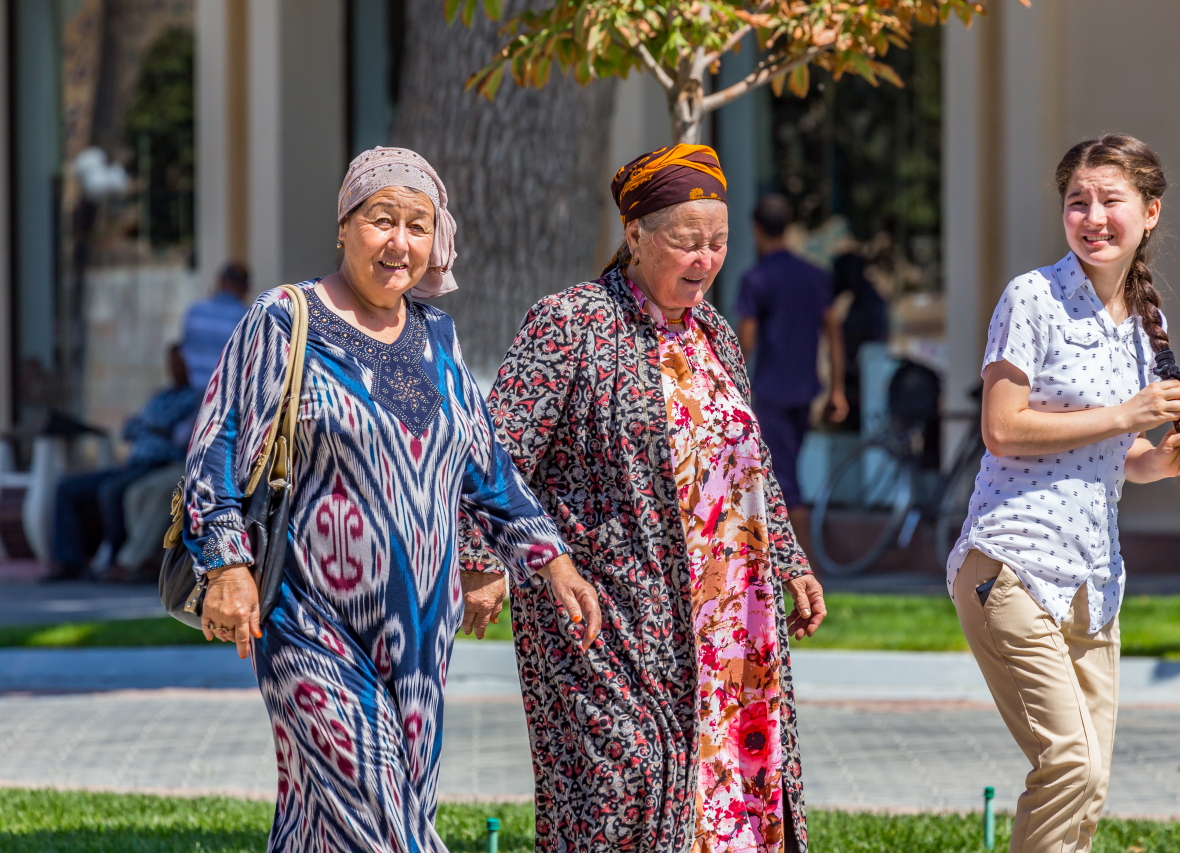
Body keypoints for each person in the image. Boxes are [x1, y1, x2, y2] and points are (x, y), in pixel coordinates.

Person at [182, 146, 601, 852]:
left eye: (417, 224)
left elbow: (485, 467)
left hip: (419, 636)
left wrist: (553, 560)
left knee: (324, 823)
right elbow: (215, 446)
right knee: (385, 821)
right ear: (345, 225)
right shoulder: (285, 320)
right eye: (382, 220)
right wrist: (226, 566)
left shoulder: (438, 336)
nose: (399, 242)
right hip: (305, 618)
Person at [458, 145, 827, 853]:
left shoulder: (715, 334)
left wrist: (791, 560)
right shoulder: (571, 322)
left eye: (718, 242)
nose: (706, 259)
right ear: (634, 234)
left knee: (725, 784)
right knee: (623, 784)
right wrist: (483, 557)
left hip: (724, 617)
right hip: (605, 611)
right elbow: (491, 454)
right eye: (687, 241)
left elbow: (749, 465)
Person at [946, 134, 1180, 853]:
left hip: (1093, 580)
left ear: (1149, 213)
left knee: (1087, 787)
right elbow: (1002, 428)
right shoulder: (1032, 297)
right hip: (1010, 565)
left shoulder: (1143, 329)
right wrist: (1127, 415)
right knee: (1069, 762)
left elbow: (1116, 457)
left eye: (1110, 200)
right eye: (1077, 201)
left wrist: (1163, 457)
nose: (1092, 216)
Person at [735, 194, 847, 530]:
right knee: (784, 472)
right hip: (805, 391)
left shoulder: (756, 279)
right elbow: (833, 332)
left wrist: (731, 389)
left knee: (782, 481)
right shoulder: (814, 275)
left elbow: (747, 342)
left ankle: (807, 569)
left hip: (770, 393)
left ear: (756, 230)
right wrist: (837, 389)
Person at [48, 345, 200, 581]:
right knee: (66, 487)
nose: (176, 368)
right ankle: (69, 562)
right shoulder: (160, 396)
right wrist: (153, 427)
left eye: (181, 362)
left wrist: (150, 426)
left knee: (112, 491)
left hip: (159, 464)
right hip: (133, 464)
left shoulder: (196, 398)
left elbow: (178, 434)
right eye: (172, 363)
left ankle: (115, 559)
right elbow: (129, 429)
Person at [830, 248, 888, 434]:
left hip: (864, 385)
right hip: (855, 384)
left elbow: (873, 348)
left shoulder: (870, 304)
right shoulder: (861, 301)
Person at [181, 261, 251, 392]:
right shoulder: (247, 318)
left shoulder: (195, 311)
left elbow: (183, 355)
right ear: (246, 288)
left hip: (192, 394)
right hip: (225, 397)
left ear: (220, 281)